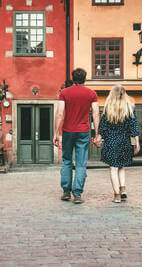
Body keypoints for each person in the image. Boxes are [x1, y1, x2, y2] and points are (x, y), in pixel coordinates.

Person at [53, 68, 100, 204]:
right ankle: (77, 194)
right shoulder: (91, 94)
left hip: (68, 131)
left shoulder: (65, 92)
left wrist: (56, 133)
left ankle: (66, 192)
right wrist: (97, 134)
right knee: (81, 163)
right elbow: (96, 114)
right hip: (83, 131)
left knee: (67, 161)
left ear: (73, 79)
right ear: (85, 79)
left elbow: (59, 114)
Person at [98, 85, 140, 203]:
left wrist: (99, 138)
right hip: (124, 141)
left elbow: (103, 127)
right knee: (121, 166)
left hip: (111, 141)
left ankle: (116, 195)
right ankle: (123, 189)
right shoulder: (130, 108)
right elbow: (134, 126)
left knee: (113, 168)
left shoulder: (108, 108)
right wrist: (137, 142)